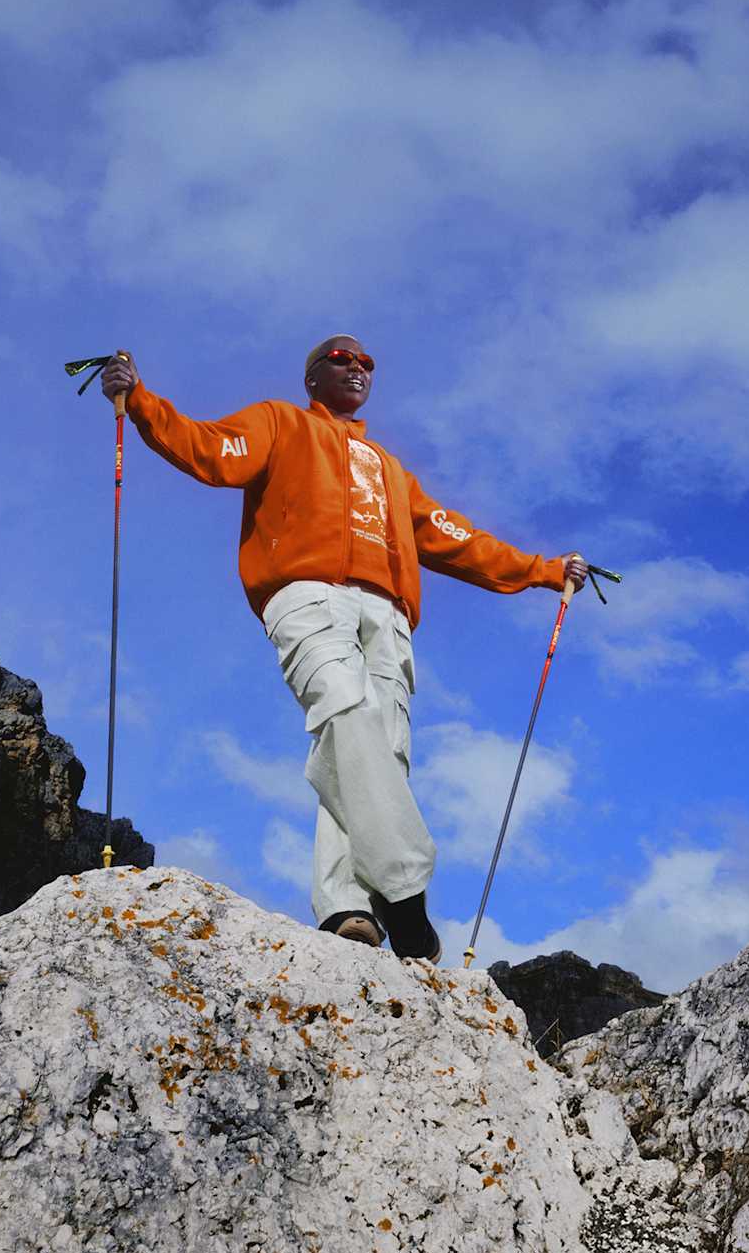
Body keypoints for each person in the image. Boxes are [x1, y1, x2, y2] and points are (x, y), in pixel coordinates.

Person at [101, 336, 589, 963]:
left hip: (387, 614)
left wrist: (544, 570)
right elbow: (212, 450)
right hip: (305, 593)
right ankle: (403, 889)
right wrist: (139, 400)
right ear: (312, 377)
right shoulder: (280, 422)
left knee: (383, 754)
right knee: (343, 712)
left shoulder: (389, 468)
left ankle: (348, 908)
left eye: (367, 364)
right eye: (342, 359)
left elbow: (456, 537)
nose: (358, 368)